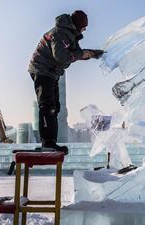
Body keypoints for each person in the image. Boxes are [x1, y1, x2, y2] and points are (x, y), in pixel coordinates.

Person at [28, 10, 103, 153]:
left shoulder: (69, 35)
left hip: (51, 72)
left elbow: (76, 52)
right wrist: (81, 54)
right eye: (84, 26)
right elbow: (61, 57)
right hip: (42, 70)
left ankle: (51, 142)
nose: (85, 29)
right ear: (77, 24)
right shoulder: (59, 33)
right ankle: (48, 143)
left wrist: (92, 54)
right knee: (47, 106)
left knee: (55, 107)